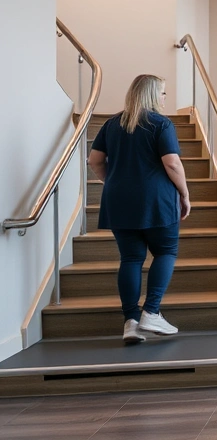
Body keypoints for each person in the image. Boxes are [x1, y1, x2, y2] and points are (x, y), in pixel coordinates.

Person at [87, 74, 190, 344]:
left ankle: (131, 321)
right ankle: (152, 312)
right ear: (153, 95)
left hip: (119, 200)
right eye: (164, 93)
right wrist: (185, 194)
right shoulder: (161, 123)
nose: (165, 98)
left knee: (131, 259)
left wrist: (113, 181)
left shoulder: (111, 124)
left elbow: (94, 160)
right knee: (165, 251)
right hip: (156, 200)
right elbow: (172, 164)